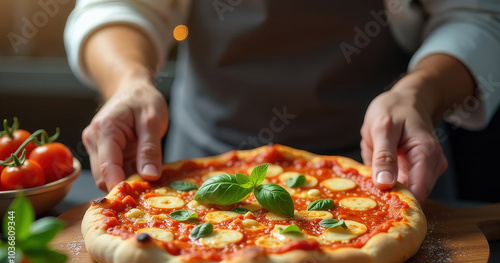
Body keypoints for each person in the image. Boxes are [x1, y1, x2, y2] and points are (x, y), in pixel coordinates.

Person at [64, 0, 500, 204]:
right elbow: (116, 5)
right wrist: (128, 82)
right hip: (200, 168)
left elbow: (475, 14)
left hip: (389, 165)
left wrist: (418, 91)